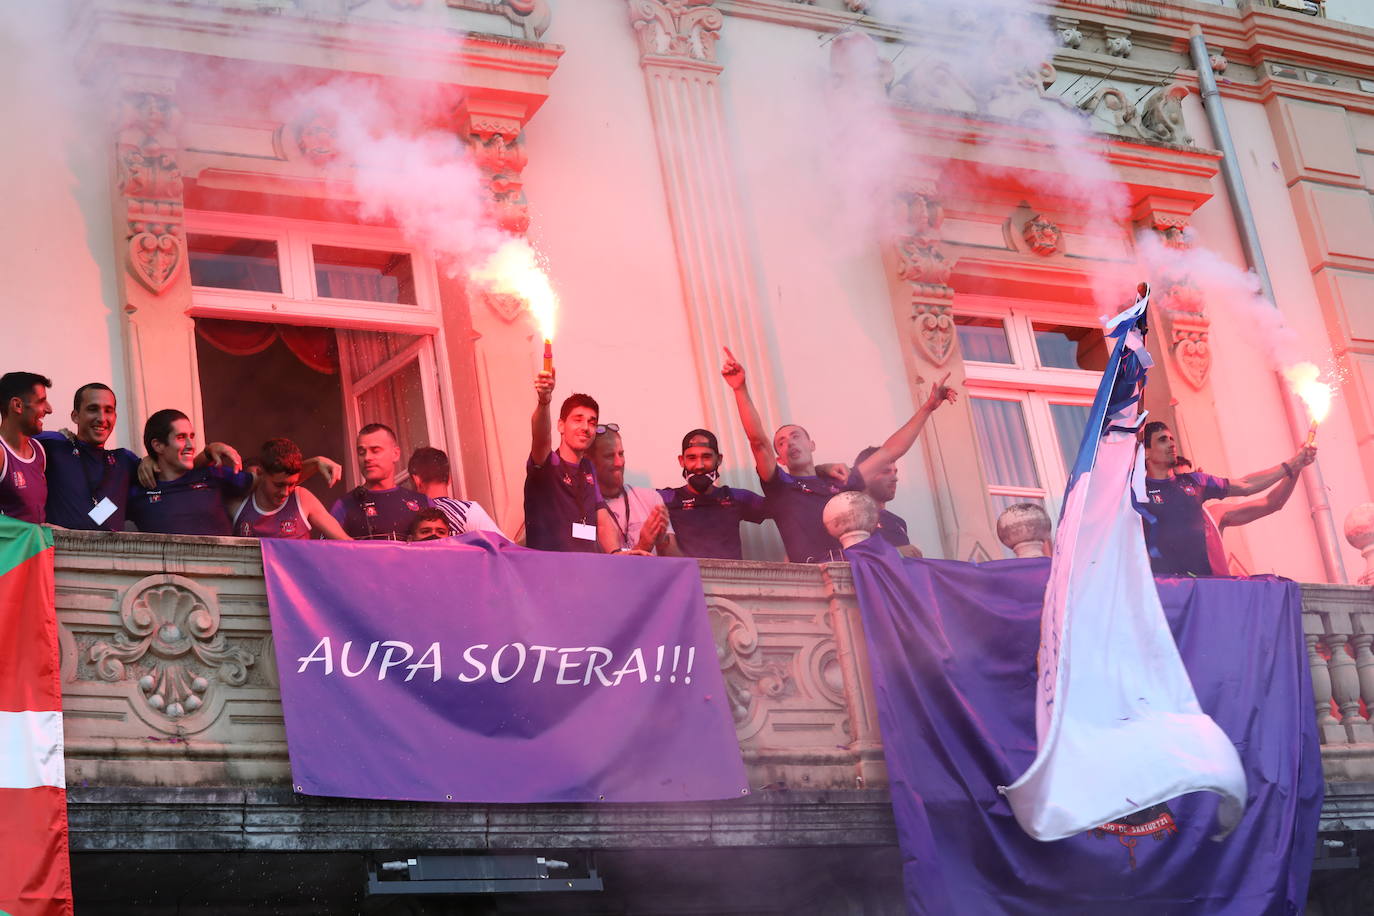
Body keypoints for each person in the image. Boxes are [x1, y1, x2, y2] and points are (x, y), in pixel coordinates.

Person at [722, 347, 956, 563]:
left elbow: (890, 451)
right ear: (780, 459)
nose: (789, 443)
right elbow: (758, 443)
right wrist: (740, 388)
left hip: (857, 572)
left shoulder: (839, 480)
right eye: (781, 442)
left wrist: (927, 408)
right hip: (816, 582)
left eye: (795, 436)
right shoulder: (781, 486)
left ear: (812, 444)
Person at [1141, 421, 1316, 577]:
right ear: (1145, 452)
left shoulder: (1202, 493)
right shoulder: (1136, 493)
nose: (1172, 444)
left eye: (1172, 439)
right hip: (1166, 595)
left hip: (1211, 590)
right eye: (1163, 439)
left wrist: (1295, 465)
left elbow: (1256, 492)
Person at [524, 370, 618, 553]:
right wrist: (544, 402)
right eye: (578, 420)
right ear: (560, 425)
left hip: (586, 570)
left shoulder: (588, 468)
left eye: (592, 422)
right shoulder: (548, 463)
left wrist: (617, 553)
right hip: (550, 572)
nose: (585, 427)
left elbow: (603, 521)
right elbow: (540, 437)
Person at [128, 409, 255, 536]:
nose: (191, 445)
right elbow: (108, 519)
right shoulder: (138, 492)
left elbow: (262, 481)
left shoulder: (212, 474)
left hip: (224, 555)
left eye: (192, 436)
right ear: (158, 445)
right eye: (181, 437)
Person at [37, 383, 142, 531]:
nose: (101, 418)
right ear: (75, 416)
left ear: (115, 417)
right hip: (60, 550)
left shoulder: (124, 460)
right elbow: (11, 444)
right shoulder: (54, 445)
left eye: (108, 410)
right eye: (93, 409)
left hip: (113, 552)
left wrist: (151, 461)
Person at [658, 428, 770, 560]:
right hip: (688, 578)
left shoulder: (736, 497)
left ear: (719, 459)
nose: (699, 465)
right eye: (691, 458)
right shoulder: (666, 498)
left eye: (706, 457)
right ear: (682, 461)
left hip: (730, 579)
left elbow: (784, 507)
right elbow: (630, 499)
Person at [232, 438, 350, 540]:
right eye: (278, 485)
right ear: (260, 473)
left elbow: (346, 543)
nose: (285, 492)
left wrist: (316, 461)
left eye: (292, 484)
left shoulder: (302, 499)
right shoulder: (237, 504)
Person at [590, 424, 678, 555]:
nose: (619, 462)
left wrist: (662, 541)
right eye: (609, 456)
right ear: (589, 461)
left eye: (621, 454)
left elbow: (677, 562)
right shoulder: (583, 509)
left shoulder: (650, 498)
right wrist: (643, 545)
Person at [330, 424, 427, 540]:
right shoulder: (345, 505)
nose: (367, 458)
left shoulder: (422, 502)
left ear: (395, 454)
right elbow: (327, 553)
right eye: (361, 452)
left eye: (375, 451)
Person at [406, 446, 502, 537]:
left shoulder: (413, 516)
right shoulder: (468, 510)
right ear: (449, 480)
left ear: (416, 480)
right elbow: (504, 548)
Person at [0, 371, 53, 524]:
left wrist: (45, 529)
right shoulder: (1, 453)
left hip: (36, 548)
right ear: (17, 405)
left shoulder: (38, 450)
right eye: (41, 401)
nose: (49, 409)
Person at [853, 445, 922, 558]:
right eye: (886, 472)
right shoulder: (850, 519)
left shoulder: (899, 522)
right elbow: (851, 560)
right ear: (864, 476)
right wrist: (895, 553)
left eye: (895, 472)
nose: (895, 478)